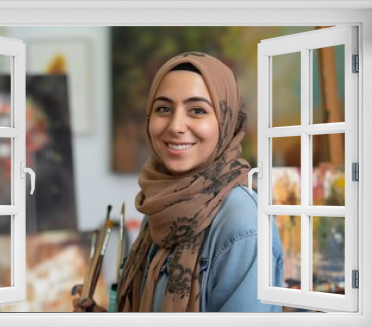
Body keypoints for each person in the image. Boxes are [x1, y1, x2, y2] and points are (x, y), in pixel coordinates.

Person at [72, 51, 284, 312]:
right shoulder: (161, 206)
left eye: (197, 110)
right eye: (163, 109)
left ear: (226, 122)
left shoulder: (244, 225)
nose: (175, 125)